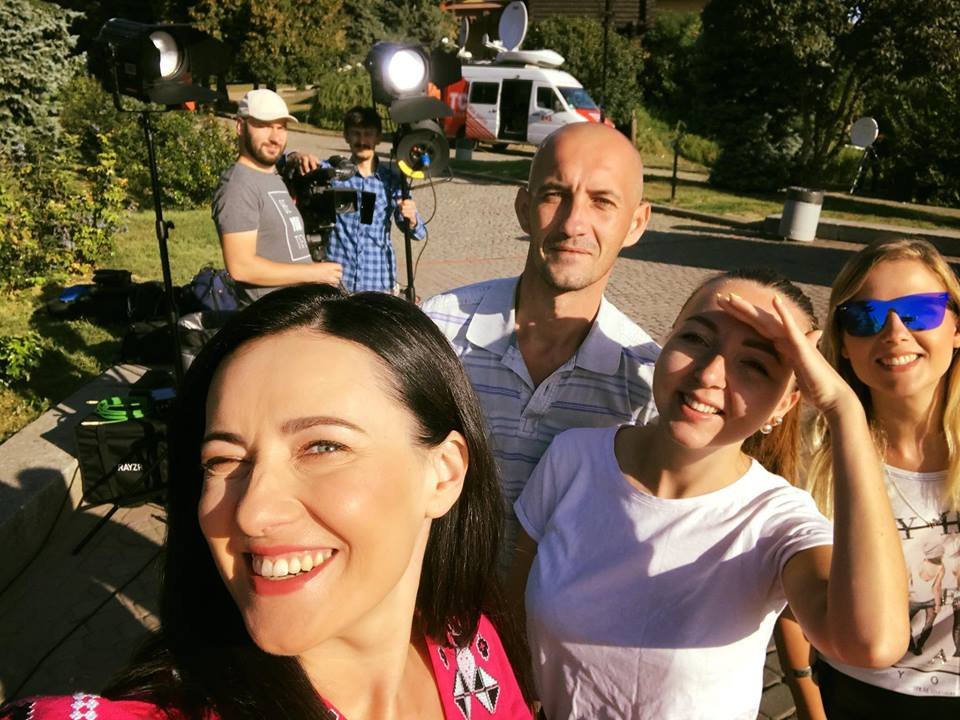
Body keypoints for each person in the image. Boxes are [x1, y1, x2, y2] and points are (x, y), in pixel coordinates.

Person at [1, 286, 533, 720]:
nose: (251, 513)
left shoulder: (468, 644)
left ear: (443, 474)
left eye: (322, 447)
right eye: (222, 460)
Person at [507, 268, 910, 719]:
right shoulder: (573, 457)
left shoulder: (777, 520)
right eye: (697, 339)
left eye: (754, 365)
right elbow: (512, 610)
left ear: (784, 404)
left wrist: (843, 409)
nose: (710, 373)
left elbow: (871, 642)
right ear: (668, 340)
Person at [420, 123, 659, 562]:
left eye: (602, 202)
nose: (573, 223)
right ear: (523, 208)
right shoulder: (438, 329)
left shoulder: (645, 385)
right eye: (554, 194)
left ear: (636, 223)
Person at [783, 238, 960, 718]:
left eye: (921, 311)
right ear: (843, 341)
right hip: (858, 694)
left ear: (956, 327)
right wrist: (808, 702)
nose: (895, 333)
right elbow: (795, 607)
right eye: (866, 317)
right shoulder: (814, 456)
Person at [212, 89, 342, 304]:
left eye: (281, 127)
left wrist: (295, 157)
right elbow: (241, 267)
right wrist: (314, 273)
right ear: (240, 126)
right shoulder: (238, 185)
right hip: (270, 318)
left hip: (296, 310)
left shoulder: (272, 176)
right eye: (263, 126)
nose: (275, 137)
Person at [292, 106, 426, 294]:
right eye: (356, 133)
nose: (362, 141)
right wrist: (298, 156)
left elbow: (418, 234)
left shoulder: (391, 181)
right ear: (346, 136)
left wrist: (412, 219)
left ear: (378, 138)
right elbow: (286, 161)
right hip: (338, 281)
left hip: (377, 281)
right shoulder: (331, 173)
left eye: (368, 134)